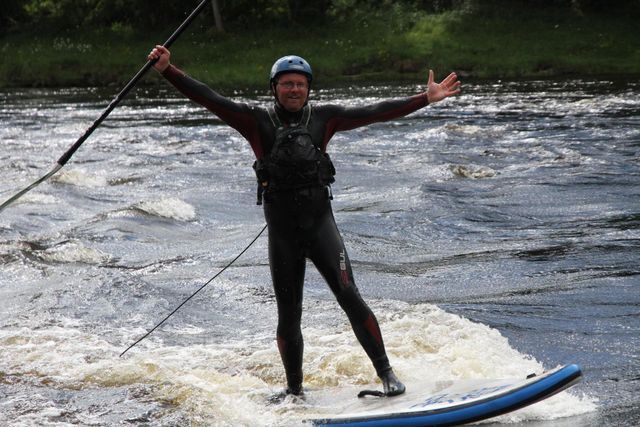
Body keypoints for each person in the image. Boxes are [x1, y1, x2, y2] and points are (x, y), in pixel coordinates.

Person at [147, 45, 461, 398]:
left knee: (349, 295)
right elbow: (210, 98)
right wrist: (167, 69)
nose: (294, 89)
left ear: (309, 88)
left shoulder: (325, 118)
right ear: (274, 88)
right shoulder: (255, 120)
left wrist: (425, 98)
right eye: (286, 84)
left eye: (300, 84)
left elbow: (375, 111)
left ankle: (386, 373)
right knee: (289, 314)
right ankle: (294, 391)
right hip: (283, 236)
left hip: (320, 228)